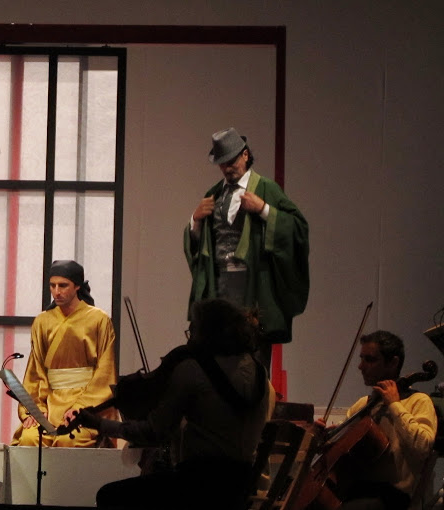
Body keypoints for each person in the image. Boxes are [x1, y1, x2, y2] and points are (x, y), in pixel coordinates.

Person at [68, 298, 274, 508]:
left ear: (207, 333)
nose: (189, 341)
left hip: (197, 484)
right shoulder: (259, 372)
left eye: (193, 331)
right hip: (238, 487)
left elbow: (154, 432)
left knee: (109, 495)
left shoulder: (193, 371)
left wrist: (100, 424)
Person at [184, 127, 309, 369]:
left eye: (231, 161)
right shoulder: (214, 194)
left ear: (245, 155)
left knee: (252, 361)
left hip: (252, 287)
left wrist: (263, 209)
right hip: (221, 287)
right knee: (217, 360)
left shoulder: (266, 188)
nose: (227, 167)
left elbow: (298, 228)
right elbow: (199, 245)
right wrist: (195, 220)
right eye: (222, 163)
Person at [317, 331, 437, 510]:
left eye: (370, 360)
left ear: (393, 363)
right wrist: (326, 438)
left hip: (393, 497)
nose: (361, 366)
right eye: (361, 358)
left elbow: (423, 447)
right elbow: (341, 451)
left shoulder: (418, 401)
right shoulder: (363, 405)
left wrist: (394, 405)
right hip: (357, 491)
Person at [10, 260, 117, 447]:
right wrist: (36, 409)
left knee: (68, 440)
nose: (56, 292)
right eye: (52, 286)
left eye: (63, 285)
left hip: (86, 406)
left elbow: (105, 373)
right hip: (50, 403)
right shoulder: (42, 321)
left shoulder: (99, 320)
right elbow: (35, 372)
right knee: (30, 438)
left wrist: (80, 409)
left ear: (77, 286)